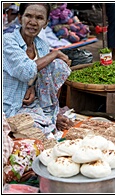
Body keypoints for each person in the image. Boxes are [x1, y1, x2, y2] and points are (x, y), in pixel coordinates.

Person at [3, 3, 73, 139]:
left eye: (39, 18)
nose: (33, 22)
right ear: (19, 18)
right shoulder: (7, 41)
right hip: (9, 104)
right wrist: (55, 53)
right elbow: (26, 71)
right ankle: (48, 119)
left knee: (58, 65)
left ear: (46, 23)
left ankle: (50, 113)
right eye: (28, 16)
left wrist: (32, 87)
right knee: (40, 132)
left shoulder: (41, 45)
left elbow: (39, 76)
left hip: (30, 102)